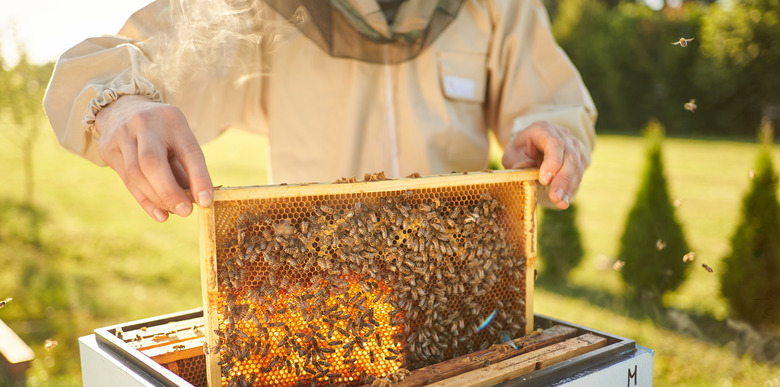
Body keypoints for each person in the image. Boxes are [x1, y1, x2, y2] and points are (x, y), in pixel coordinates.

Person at [43, 0, 596, 223]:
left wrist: (549, 135)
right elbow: (122, 62)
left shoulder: (500, 4)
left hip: (459, 278)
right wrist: (120, 104)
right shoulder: (260, 7)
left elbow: (553, 100)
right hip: (319, 287)